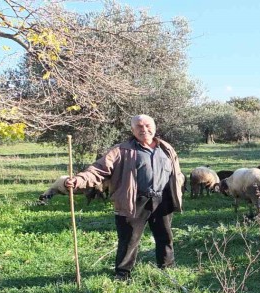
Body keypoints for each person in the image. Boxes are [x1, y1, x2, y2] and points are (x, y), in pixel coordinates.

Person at [65, 114, 184, 281]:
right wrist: (79, 180)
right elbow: (98, 169)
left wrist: (179, 184)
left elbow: (176, 172)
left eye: (148, 125)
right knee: (129, 240)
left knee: (165, 236)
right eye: (139, 127)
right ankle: (122, 275)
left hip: (162, 199)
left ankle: (167, 269)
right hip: (133, 201)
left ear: (155, 126)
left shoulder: (166, 148)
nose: (144, 129)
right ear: (132, 130)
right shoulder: (121, 150)